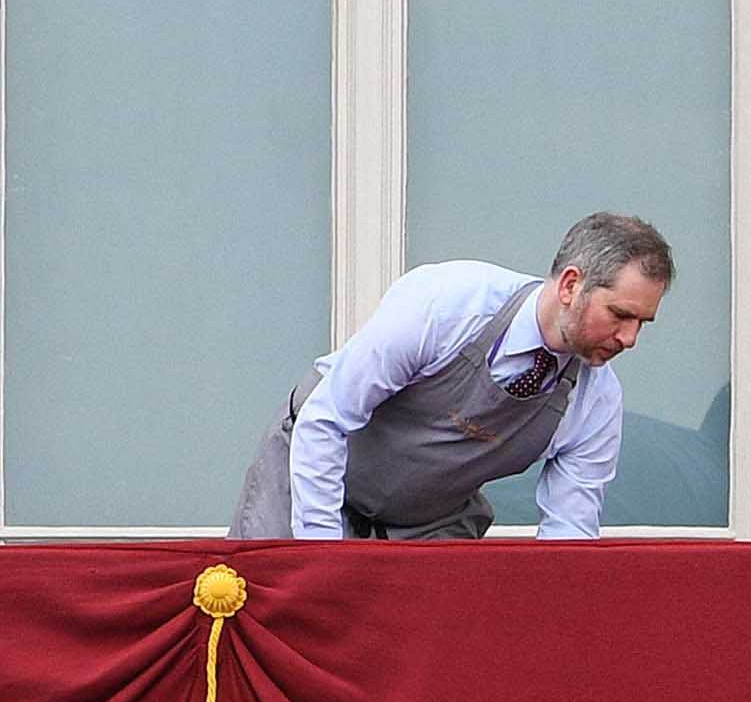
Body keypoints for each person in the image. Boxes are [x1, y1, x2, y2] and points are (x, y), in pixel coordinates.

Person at [225, 215, 672, 540]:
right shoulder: (446, 308)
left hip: (426, 522)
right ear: (571, 285)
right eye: (620, 315)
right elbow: (326, 420)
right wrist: (323, 559)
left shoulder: (597, 399)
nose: (630, 338)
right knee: (279, 616)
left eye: (642, 323)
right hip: (305, 475)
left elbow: (569, 535)